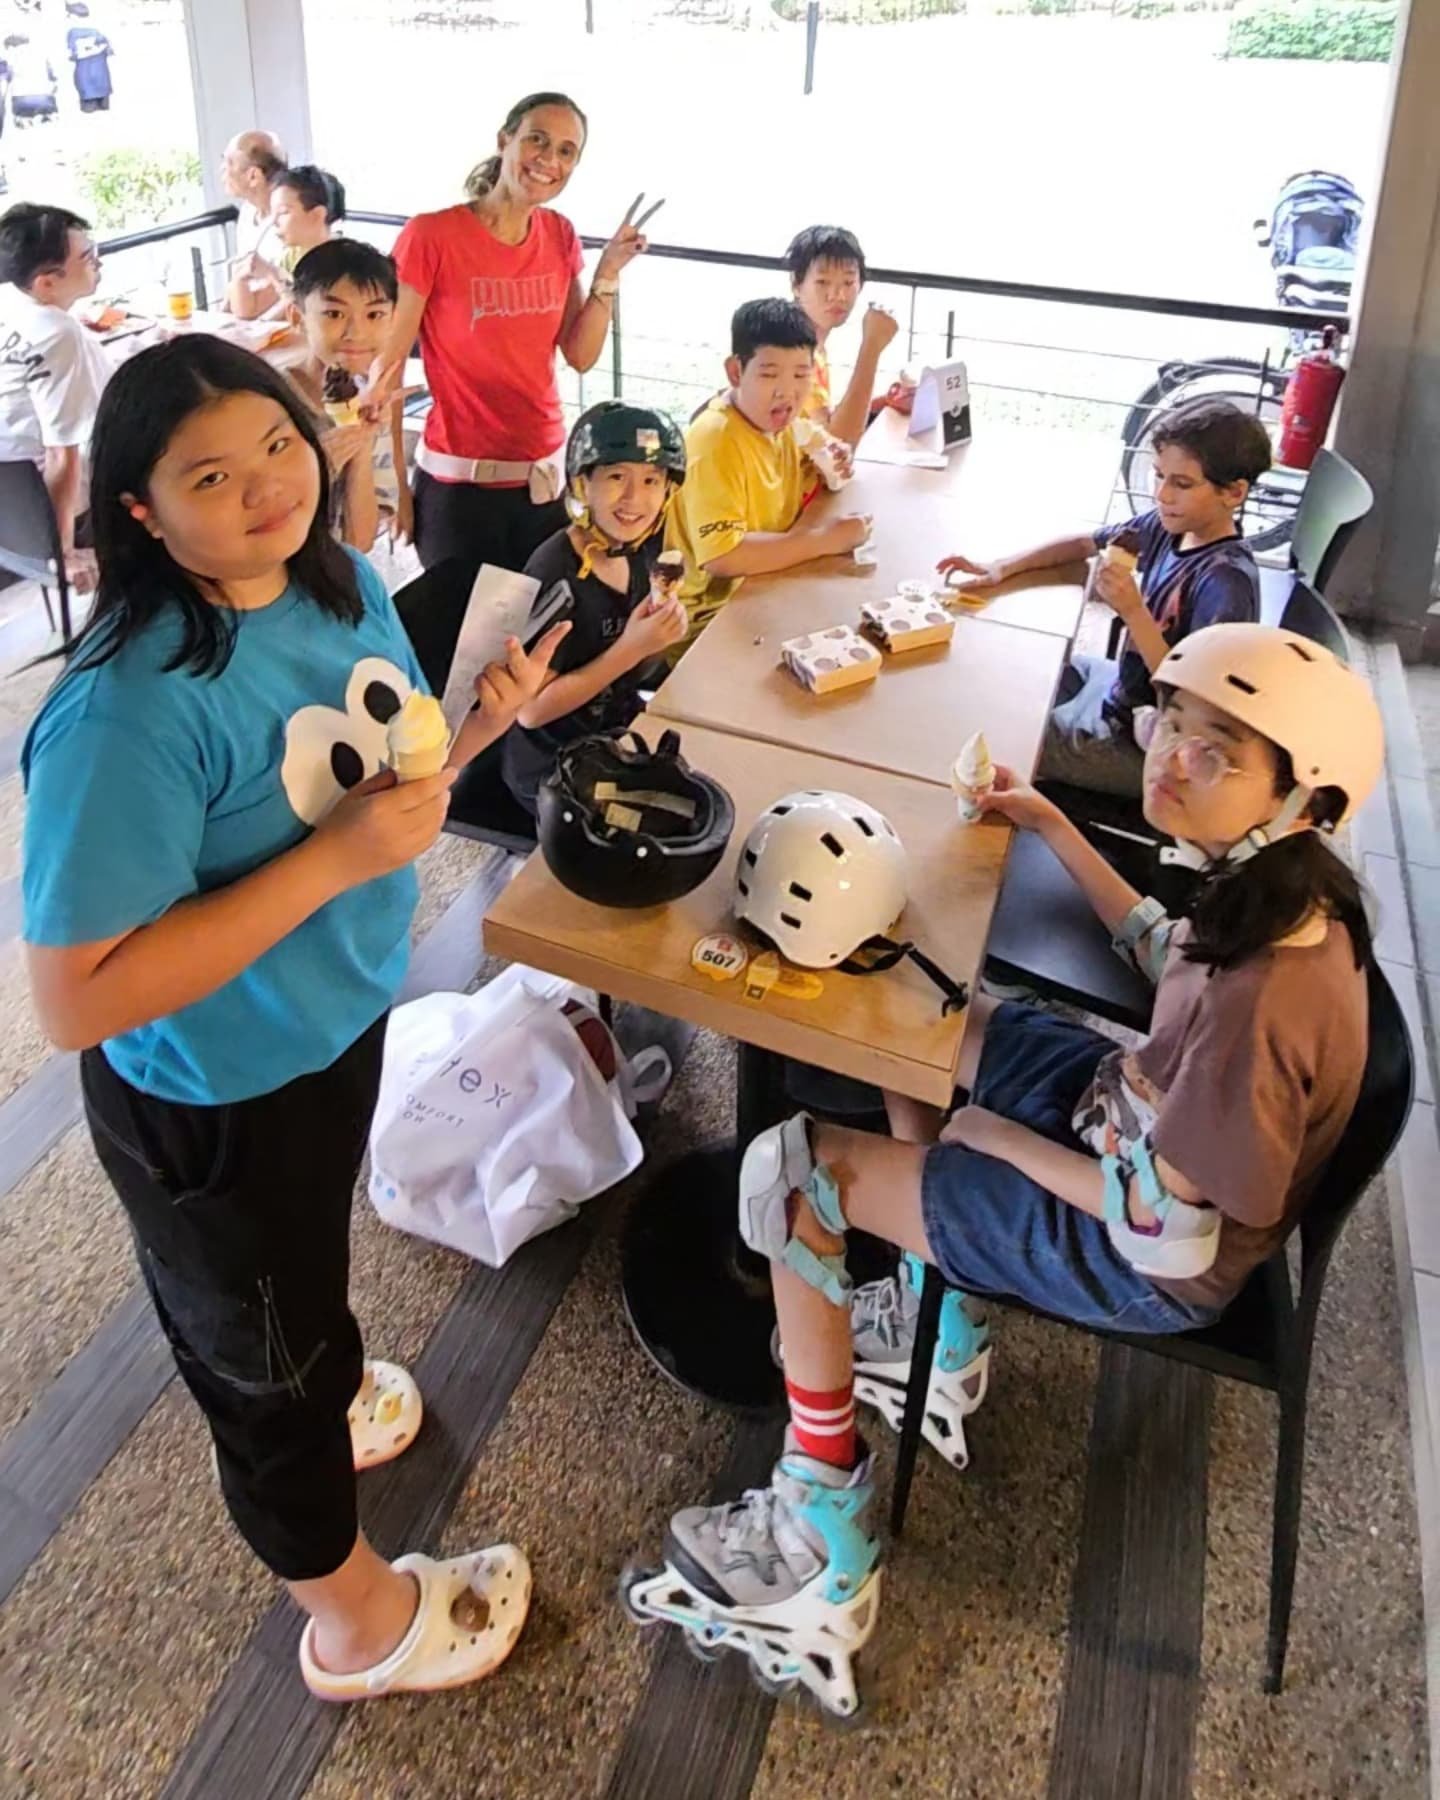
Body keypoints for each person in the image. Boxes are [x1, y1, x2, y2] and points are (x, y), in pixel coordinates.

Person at [622, 621, 1382, 1718]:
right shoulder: (1277, 891)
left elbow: (1169, 1232)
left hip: (1144, 1254)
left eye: (1216, 752)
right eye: (1173, 720)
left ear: (1304, 798)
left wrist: (1000, 1142)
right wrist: (1049, 821)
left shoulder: (1266, 1007)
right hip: (1125, 1119)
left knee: (792, 1177)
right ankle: (939, 1319)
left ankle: (818, 1534)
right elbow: (1162, 951)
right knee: (915, 1007)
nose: (1170, 758)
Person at [21, 334, 570, 1701]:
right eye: (211, 474)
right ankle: (357, 1624)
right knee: (257, 1363)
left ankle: (323, 1376)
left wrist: (480, 724)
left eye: (278, 443)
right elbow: (74, 1001)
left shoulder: (335, 582)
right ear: (141, 510)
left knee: (298, 1282)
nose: (269, 485)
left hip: (329, 1022)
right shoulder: (127, 709)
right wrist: (333, 865)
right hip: (211, 1091)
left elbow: (378, 796)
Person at [362, 91, 651, 582]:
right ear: (504, 140)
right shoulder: (431, 236)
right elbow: (385, 371)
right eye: (537, 140)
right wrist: (392, 489)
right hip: (459, 489)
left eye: (566, 151)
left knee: (540, 623)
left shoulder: (559, 234)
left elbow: (581, 354)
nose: (549, 159)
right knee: (463, 627)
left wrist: (608, 272)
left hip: (543, 485)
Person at [939, 396, 1272, 797]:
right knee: (1019, 672)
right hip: (1120, 691)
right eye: (1158, 476)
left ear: (1233, 493)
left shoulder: (1226, 584)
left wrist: (1134, 611)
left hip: (1149, 748)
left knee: (1003, 735)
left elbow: (1194, 698)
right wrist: (1001, 567)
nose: (1162, 495)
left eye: (1182, 484)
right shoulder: (1170, 526)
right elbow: (1086, 543)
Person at [503, 400, 689, 813]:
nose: (634, 498)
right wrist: (631, 647)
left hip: (615, 738)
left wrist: (657, 637)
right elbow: (529, 711)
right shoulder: (555, 572)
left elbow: (637, 669)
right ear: (582, 484)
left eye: (651, 481)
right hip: (552, 766)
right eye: (616, 477)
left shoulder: (642, 551)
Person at [665, 297, 869, 648]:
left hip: (766, 590)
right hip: (704, 626)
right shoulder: (716, 439)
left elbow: (809, 473)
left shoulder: (784, 423)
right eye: (769, 374)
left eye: (801, 375)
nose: (787, 393)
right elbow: (723, 556)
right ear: (735, 372)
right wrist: (825, 540)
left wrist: (829, 463)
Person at [0, 202, 109, 595]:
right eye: (87, 257)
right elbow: (64, 453)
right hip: (43, 511)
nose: (98, 262)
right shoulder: (59, 333)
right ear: (46, 283)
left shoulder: (9, 302)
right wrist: (61, 550)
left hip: (9, 509)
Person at [288, 239, 411, 555]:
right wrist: (318, 465)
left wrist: (362, 441)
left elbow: (359, 542)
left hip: (338, 577)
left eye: (375, 315)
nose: (356, 333)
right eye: (334, 314)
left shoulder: (370, 403)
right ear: (297, 317)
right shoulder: (269, 403)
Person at [784, 224, 901, 447]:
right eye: (822, 282)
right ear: (796, 284)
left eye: (848, 283)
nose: (837, 295)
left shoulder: (813, 343)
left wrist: (882, 404)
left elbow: (821, 423)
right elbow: (838, 445)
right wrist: (871, 346)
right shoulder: (792, 349)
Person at [230, 164, 345, 321]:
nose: (273, 222)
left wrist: (274, 275)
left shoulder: (340, 260)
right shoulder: (292, 256)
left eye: (283, 212)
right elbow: (249, 311)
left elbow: (305, 307)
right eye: (272, 214)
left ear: (317, 215)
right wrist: (240, 278)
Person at [221, 128, 286, 301]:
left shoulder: (292, 217)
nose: (222, 170)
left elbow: (296, 294)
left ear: (253, 176)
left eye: (229, 163)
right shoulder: (248, 210)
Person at [65, 3, 113, 113]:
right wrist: (98, 49)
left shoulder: (73, 32)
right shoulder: (98, 30)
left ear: (74, 16)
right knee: (103, 109)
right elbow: (109, 49)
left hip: (86, 75)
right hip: (101, 75)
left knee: (89, 109)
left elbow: (74, 53)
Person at [5, 33, 56, 125]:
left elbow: (8, 75)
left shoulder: (12, 55)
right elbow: (52, 75)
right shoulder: (41, 52)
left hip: (21, 98)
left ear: (11, 45)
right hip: (44, 96)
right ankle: (47, 114)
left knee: (21, 109)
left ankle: (24, 118)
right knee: (47, 103)